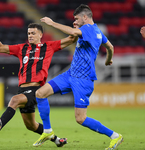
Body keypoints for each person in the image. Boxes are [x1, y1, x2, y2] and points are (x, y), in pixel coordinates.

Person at [33, 4, 123, 150]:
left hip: (83, 79)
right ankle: (48, 131)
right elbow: (110, 47)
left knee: (80, 119)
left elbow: (73, 32)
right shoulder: (98, 32)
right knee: (40, 93)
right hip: (70, 75)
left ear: (85, 17)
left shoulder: (88, 29)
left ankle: (115, 136)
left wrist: (52, 23)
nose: (75, 21)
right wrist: (108, 59)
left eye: (77, 18)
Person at [0, 22, 77, 147]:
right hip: (22, 89)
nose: (30, 35)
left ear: (41, 34)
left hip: (37, 89)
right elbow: (0, 48)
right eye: (29, 33)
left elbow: (72, 39)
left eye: (33, 33)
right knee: (31, 125)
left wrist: (76, 29)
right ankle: (57, 140)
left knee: (14, 101)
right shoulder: (22, 48)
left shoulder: (49, 46)